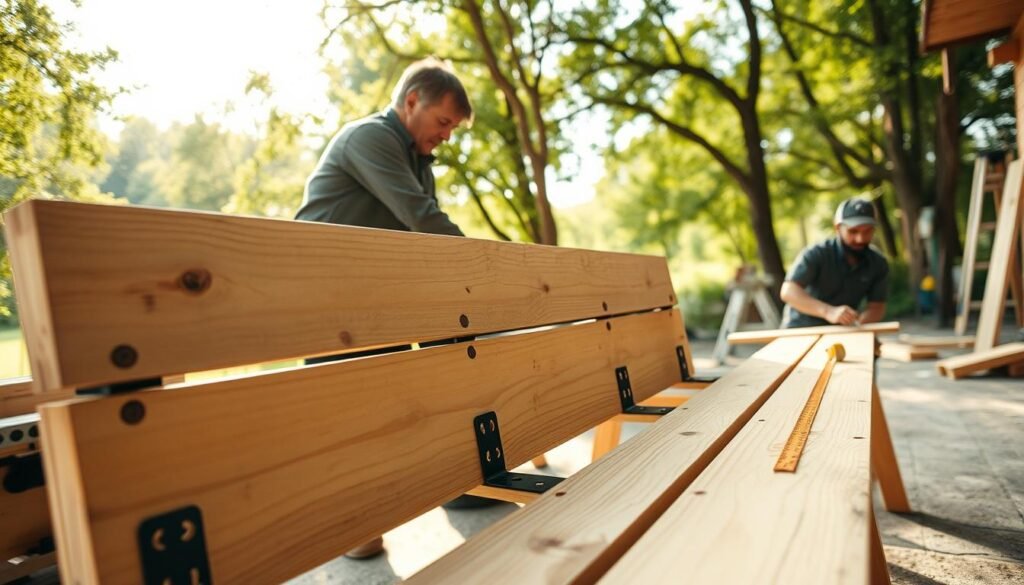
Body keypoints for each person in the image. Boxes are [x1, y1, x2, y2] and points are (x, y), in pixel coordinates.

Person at [295, 59, 479, 560]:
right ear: (412, 101)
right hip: (326, 295)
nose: (446, 135)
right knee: (354, 410)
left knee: (436, 367)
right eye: (443, 122)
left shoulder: (419, 160)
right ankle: (353, 520)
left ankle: (457, 478)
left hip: (375, 293)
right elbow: (422, 219)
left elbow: (424, 242)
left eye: (452, 129)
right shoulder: (368, 139)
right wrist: (483, 262)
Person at [780, 197, 889, 328]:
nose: (860, 239)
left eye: (867, 231)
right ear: (837, 228)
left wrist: (859, 324)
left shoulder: (878, 263)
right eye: (853, 231)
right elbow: (788, 291)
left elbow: (877, 308)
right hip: (800, 329)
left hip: (844, 331)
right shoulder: (816, 253)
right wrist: (828, 311)